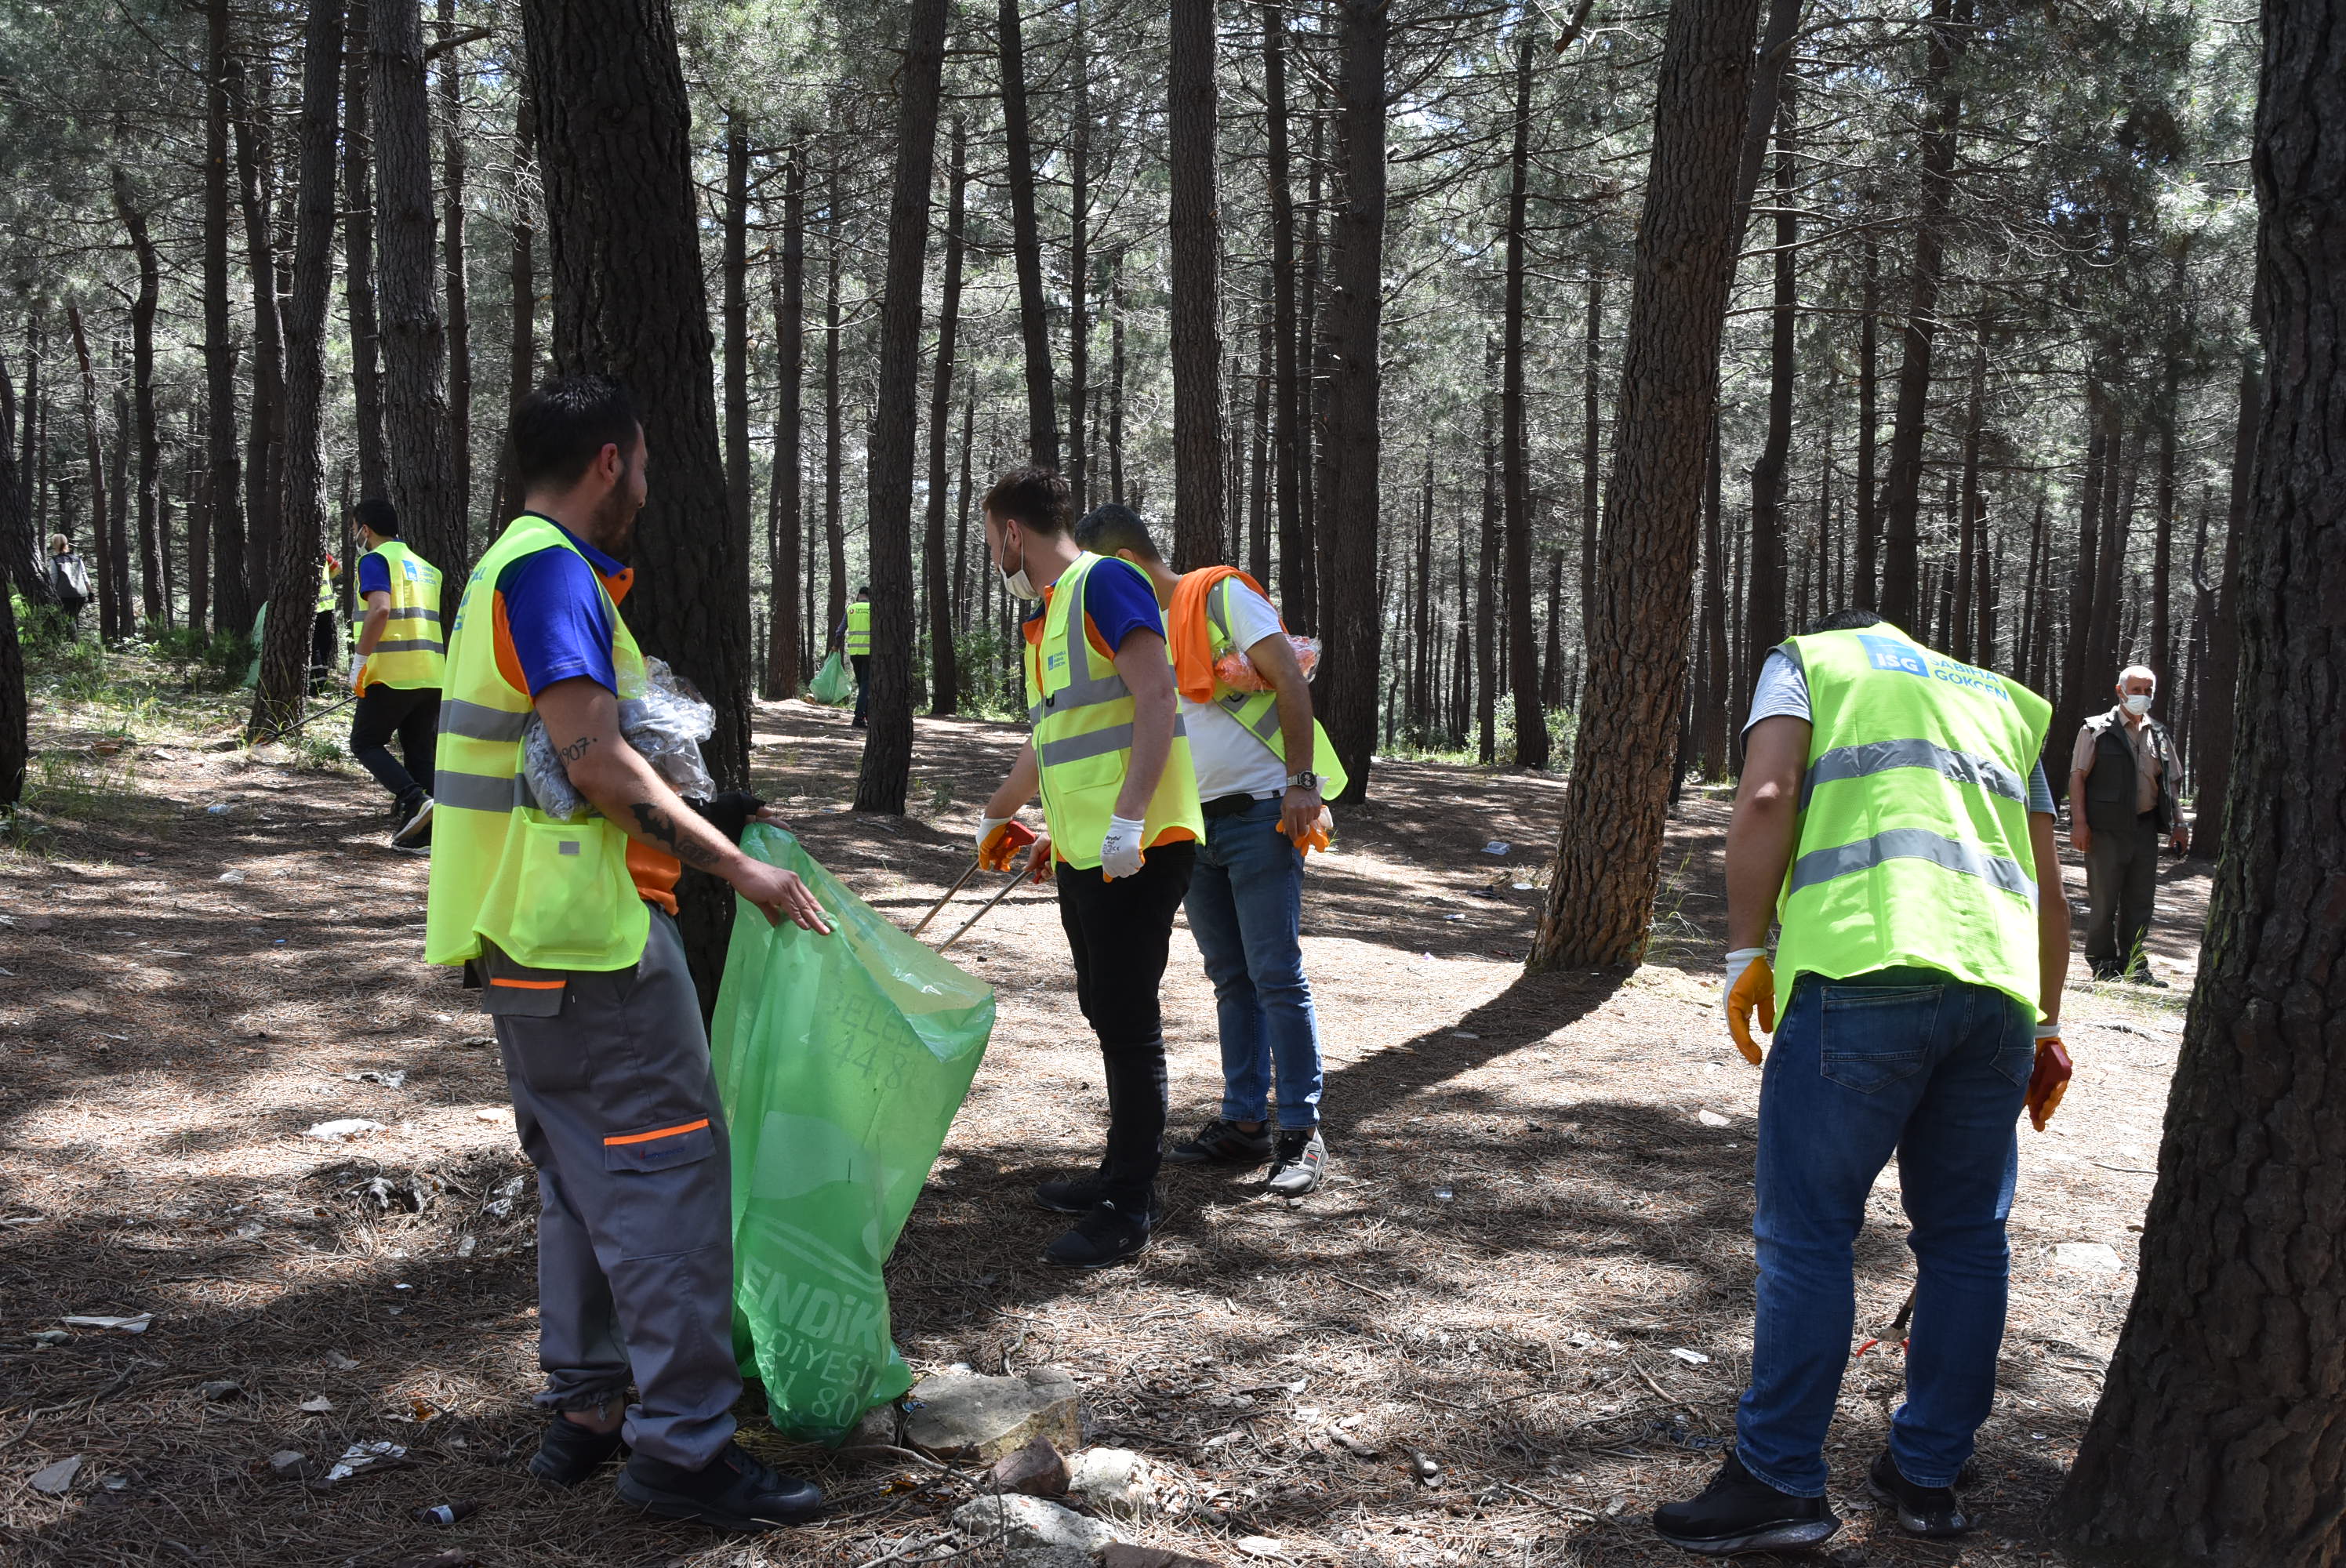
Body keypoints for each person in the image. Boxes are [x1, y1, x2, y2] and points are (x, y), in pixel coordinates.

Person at [424, 376, 833, 1531]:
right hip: (591, 945)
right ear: (610, 460)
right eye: (644, 465)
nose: (647, 487)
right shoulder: (552, 569)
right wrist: (737, 867)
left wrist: (705, 808)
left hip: (521, 937)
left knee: (580, 1176)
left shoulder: (501, 568)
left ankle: (590, 1405)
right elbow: (593, 761)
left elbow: (552, 762)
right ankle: (686, 1449)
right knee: (666, 1178)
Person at [1654, 612, 2073, 1555]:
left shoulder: (1811, 661)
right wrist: (2046, 1023)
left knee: (1807, 1232)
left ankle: (1776, 1479)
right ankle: (1928, 1472)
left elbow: (1767, 793)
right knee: (1967, 1239)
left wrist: (1742, 949)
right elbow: (2048, 887)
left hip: (1861, 965)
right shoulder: (2004, 701)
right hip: (1996, 994)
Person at [973, 466, 1204, 1268]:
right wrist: (1009, 815)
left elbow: (1157, 696)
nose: (992, 554)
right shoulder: (1048, 615)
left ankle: (1130, 1201)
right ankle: (1119, 1168)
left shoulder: (1103, 582)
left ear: (1013, 531)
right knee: (1104, 1007)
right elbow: (1055, 736)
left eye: (990, 537)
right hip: (1088, 848)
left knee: (1127, 1017)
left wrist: (1129, 820)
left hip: (1142, 843)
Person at [1073, 503, 1338, 1196]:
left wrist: (1301, 784)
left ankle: (1301, 1132)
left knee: (1276, 974)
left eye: (1095, 573)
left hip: (1260, 815)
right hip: (1194, 827)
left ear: (1123, 563)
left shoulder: (1220, 595)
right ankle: (1244, 1120)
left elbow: (1290, 679)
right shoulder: (1142, 628)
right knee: (1230, 976)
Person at [2068, 663, 2187, 985]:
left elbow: (2171, 782)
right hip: (2105, 829)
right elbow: (2078, 777)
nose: (2143, 696)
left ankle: (2134, 964)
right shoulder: (2095, 729)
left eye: (2148, 691)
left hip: (2144, 828)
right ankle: (2103, 964)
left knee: (2140, 901)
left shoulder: (2158, 733)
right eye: (2136, 690)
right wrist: (2079, 823)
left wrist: (2179, 823)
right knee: (2104, 899)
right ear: (2120, 691)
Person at [346, 500, 446, 852]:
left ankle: (413, 800)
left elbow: (381, 609)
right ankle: (428, 836)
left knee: (365, 743)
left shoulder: (375, 560)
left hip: (392, 673)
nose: (355, 535)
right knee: (419, 752)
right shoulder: (427, 568)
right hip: (432, 673)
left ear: (366, 529)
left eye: (355, 528)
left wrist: (359, 661)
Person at [836, 586, 873, 728]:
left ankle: (867, 716)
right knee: (866, 685)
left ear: (859, 595)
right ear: (870, 596)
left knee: (863, 685)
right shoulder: (873, 609)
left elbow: (840, 631)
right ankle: (858, 718)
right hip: (869, 653)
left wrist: (836, 646)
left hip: (855, 653)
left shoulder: (851, 609)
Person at [312, 550, 344, 692]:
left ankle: (316, 685)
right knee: (324, 646)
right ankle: (323, 682)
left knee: (314, 647)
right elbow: (337, 568)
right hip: (328, 608)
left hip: (313, 609)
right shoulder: (323, 554)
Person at [46, 534, 89, 635]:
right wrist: (90, 592)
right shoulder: (78, 559)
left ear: (55, 545)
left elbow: (54, 579)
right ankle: (75, 640)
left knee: (68, 620)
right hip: (81, 594)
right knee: (73, 618)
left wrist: (51, 593)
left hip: (65, 595)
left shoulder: (55, 561)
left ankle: (72, 641)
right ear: (67, 544)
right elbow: (85, 576)